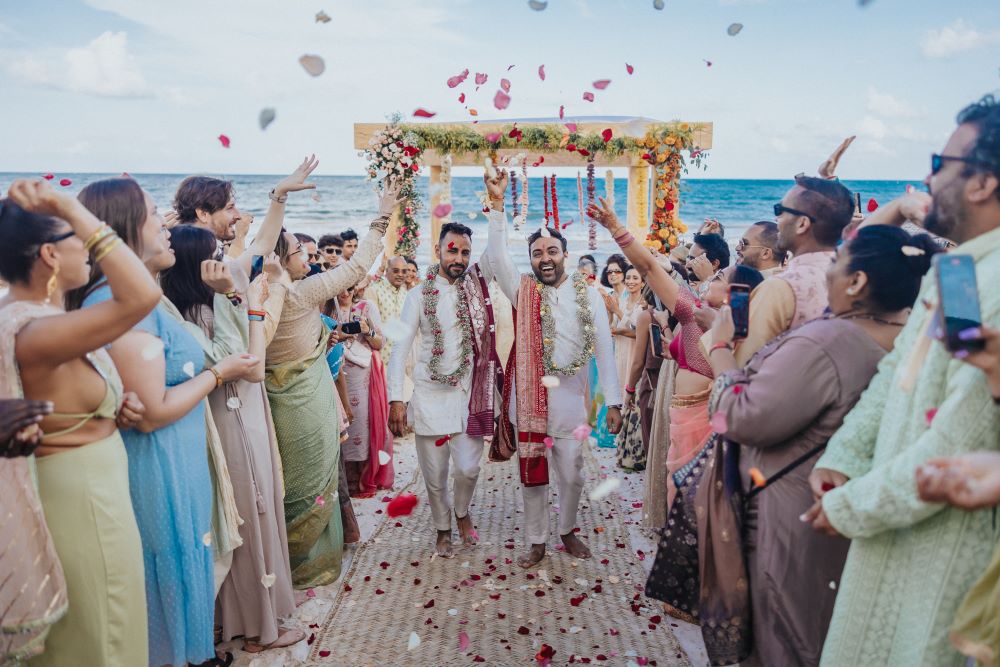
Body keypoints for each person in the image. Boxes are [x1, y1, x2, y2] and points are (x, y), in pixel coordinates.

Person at [804, 95, 1000, 667]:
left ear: (984, 183)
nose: (925, 180)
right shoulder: (961, 270)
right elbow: (899, 374)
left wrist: (852, 507)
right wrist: (844, 454)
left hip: (942, 551)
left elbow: (962, 438)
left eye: (941, 164)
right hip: (888, 522)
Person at [705, 225, 939, 666]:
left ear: (857, 282)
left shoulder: (828, 342)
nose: (825, 274)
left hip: (792, 513)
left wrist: (719, 347)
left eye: (837, 265)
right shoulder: (910, 341)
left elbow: (741, 416)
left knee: (786, 637)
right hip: (841, 511)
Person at [68, 178, 259, 667]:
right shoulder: (116, 303)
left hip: (180, 455)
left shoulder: (146, 297)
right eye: (156, 215)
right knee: (164, 580)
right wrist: (219, 373)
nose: (168, 226)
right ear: (125, 231)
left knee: (186, 571)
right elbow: (150, 411)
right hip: (157, 465)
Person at [0, 180, 160, 666]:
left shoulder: (42, 322)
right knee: (102, 639)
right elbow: (140, 295)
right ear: (50, 254)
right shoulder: (36, 329)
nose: (91, 248)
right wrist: (70, 205)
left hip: (90, 489)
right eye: (80, 238)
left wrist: (111, 408)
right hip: (83, 504)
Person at [159, 226, 302, 654]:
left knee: (252, 513)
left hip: (245, 412)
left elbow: (250, 356)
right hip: (229, 419)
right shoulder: (185, 318)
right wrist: (234, 300)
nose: (224, 260)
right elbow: (247, 364)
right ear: (195, 266)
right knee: (245, 516)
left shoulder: (206, 304)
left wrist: (240, 301)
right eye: (214, 254)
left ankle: (235, 623)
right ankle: (260, 629)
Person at [262, 180, 400, 588]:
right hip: (306, 398)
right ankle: (308, 565)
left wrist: (279, 199)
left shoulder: (260, 291)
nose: (307, 257)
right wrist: (382, 217)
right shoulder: (300, 294)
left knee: (290, 480)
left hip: (275, 398)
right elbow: (357, 269)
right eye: (299, 253)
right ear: (286, 262)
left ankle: (284, 560)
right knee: (314, 478)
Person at [487, 170, 622, 569]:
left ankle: (566, 529)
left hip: (569, 402)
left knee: (573, 473)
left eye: (552, 251)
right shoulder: (523, 290)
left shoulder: (589, 296)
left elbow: (605, 348)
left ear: (565, 253)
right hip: (527, 400)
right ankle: (536, 540)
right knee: (532, 475)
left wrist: (613, 401)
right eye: (537, 253)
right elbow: (496, 258)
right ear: (531, 260)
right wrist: (497, 207)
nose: (545, 259)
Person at [387, 221, 500, 557]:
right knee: (435, 477)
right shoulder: (417, 296)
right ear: (437, 251)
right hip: (430, 396)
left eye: (465, 252)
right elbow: (399, 348)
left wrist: (497, 207)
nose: (459, 258)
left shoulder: (476, 292)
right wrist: (396, 398)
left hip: (467, 397)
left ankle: (462, 511)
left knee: (468, 468)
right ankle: (442, 528)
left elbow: (497, 253)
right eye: (453, 250)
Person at [730, 176, 854, 366]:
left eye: (780, 211)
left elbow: (742, 366)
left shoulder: (781, 288)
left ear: (802, 223)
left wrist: (718, 339)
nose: (777, 220)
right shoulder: (854, 278)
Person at [329, 284, 391, 497]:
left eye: (350, 288)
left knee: (363, 425)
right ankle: (345, 479)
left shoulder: (366, 307)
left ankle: (364, 478)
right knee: (340, 422)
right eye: (340, 287)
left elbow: (380, 342)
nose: (344, 293)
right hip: (336, 371)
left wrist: (367, 330)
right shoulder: (327, 308)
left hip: (362, 375)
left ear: (356, 288)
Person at [368, 256, 409, 364]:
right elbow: (370, 326)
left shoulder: (406, 294)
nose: (400, 274)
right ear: (386, 271)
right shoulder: (375, 290)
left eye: (404, 271)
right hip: (380, 358)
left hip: (402, 358)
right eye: (396, 271)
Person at [611, 267, 645, 396]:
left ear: (643, 283)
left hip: (634, 354)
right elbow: (612, 326)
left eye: (635, 278)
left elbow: (636, 331)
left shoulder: (643, 306)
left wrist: (617, 311)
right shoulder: (621, 303)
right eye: (628, 278)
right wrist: (610, 309)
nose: (631, 281)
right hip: (620, 352)